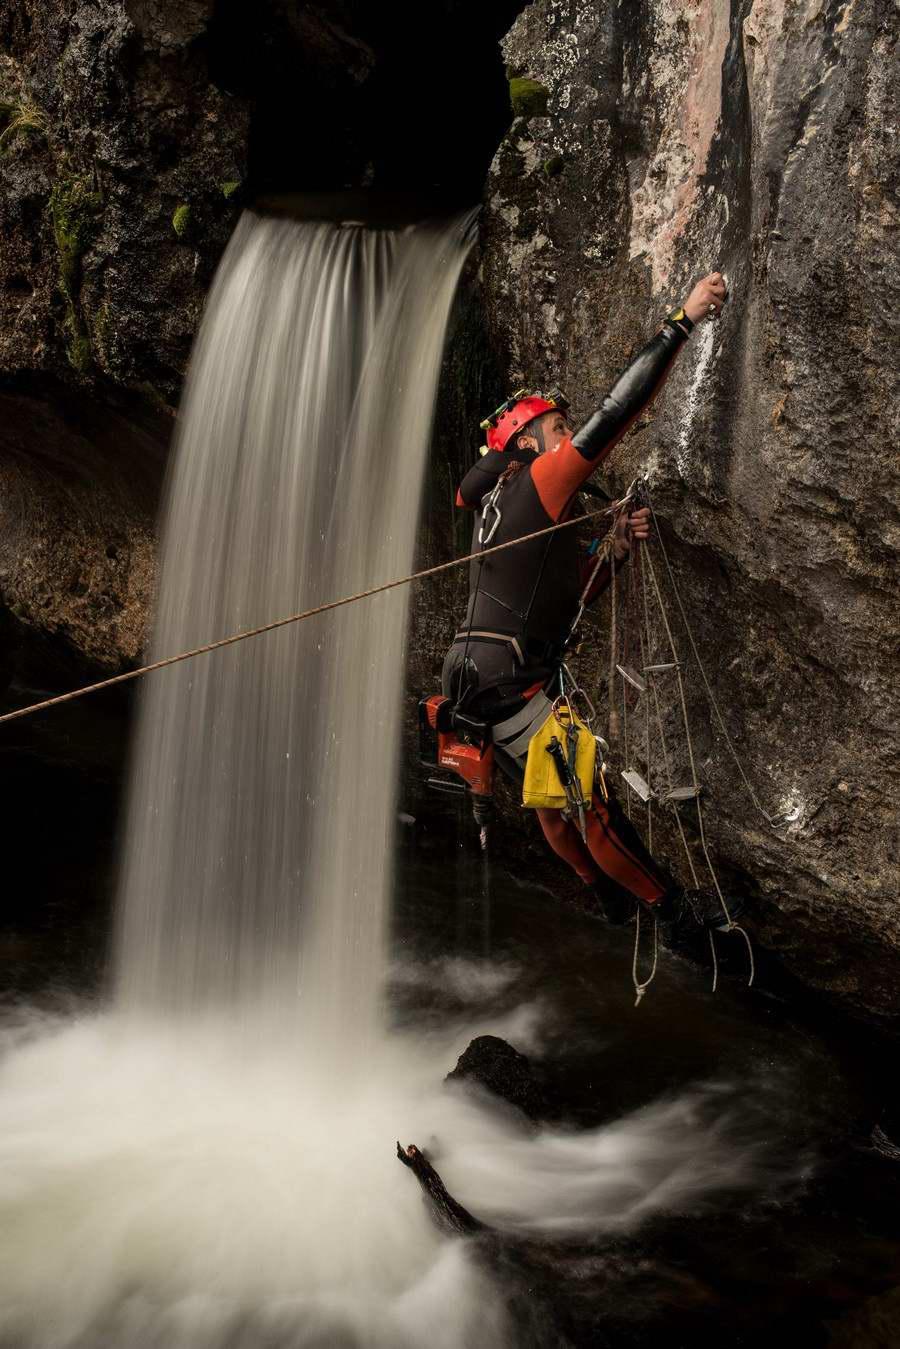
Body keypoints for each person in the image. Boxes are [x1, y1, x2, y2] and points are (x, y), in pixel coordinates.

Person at [442, 272, 742, 942]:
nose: (568, 434)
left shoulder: (497, 504)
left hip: (476, 673)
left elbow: (549, 593)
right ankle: (675, 916)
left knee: (556, 809)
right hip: (510, 680)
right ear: (530, 442)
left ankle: (604, 895)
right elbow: (617, 412)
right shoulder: (543, 478)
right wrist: (683, 320)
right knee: (594, 812)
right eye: (557, 426)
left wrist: (608, 554)